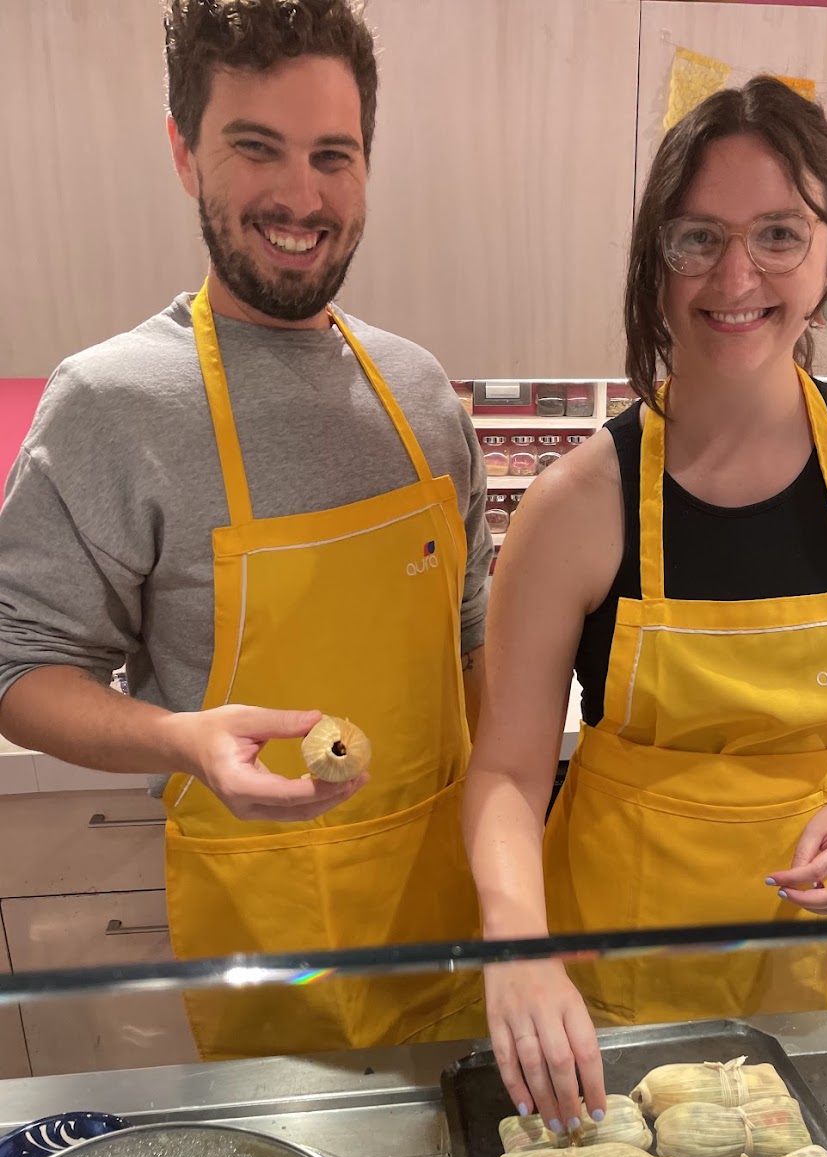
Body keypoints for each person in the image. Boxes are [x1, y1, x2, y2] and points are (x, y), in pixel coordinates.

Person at [0, 0, 493, 1057]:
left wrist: (516, 855)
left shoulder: (420, 396)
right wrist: (177, 737)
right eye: (255, 149)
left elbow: (471, 641)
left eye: (333, 155)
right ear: (185, 152)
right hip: (271, 950)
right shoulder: (114, 404)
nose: (301, 196)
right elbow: (19, 669)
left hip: (449, 927)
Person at [464, 78, 827, 1132]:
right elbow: (504, 770)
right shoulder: (573, 508)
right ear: (657, 262)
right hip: (616, 993)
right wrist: (519, 945)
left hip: (812, 979)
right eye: (698, 237)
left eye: (779, 233)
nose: (737, 276)